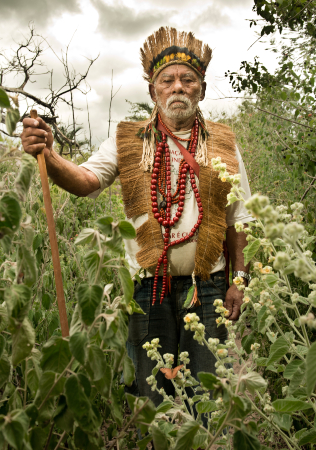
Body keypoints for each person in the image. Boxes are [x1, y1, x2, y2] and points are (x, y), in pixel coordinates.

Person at [20, 27, 254, 409]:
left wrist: (239, 281)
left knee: (209, 396)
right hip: (148, 288)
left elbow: (238, 218)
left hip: (209, 286)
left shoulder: (224, 142)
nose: (178, 87)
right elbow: (85, 180)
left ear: (202, 90)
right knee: (153, 398)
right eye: (168, 80)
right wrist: (49, 153)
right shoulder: (127, 142)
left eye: (188, 80)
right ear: (153, 92)